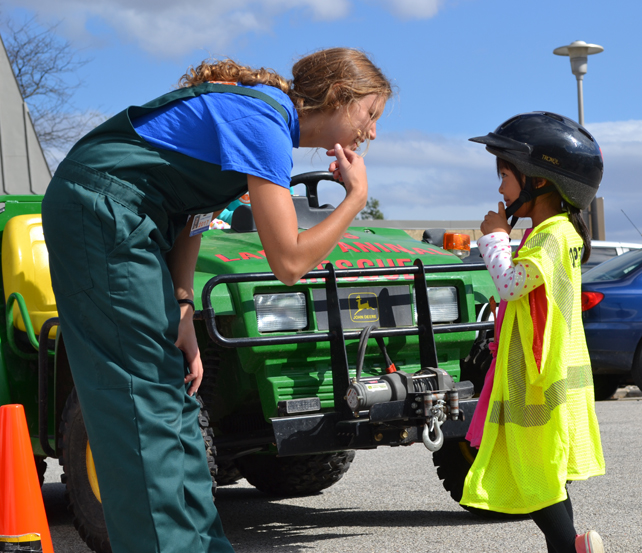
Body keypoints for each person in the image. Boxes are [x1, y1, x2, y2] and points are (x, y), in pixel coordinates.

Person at [41, 48, 392, 553]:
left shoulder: (264, 119)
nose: (372, 132)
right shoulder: (264, 122)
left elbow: (194, 212)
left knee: (176, 396)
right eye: (370, 114)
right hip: (100, 209)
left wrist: (183, 305)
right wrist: (355, 200)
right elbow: (289, 263)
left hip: (133, 217)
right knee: (141, 400)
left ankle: (202, 545)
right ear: (339, 97)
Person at [461, 112, 606, 553]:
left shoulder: (551, 235)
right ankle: (572, 545)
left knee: (533, 473)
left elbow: (510, 283)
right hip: (549, 376)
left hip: (537, 380)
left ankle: (571, 548)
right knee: (545, 470)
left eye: (505, 176)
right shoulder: (559, 233)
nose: (501, 189)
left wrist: (495, 238)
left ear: (539, 181)